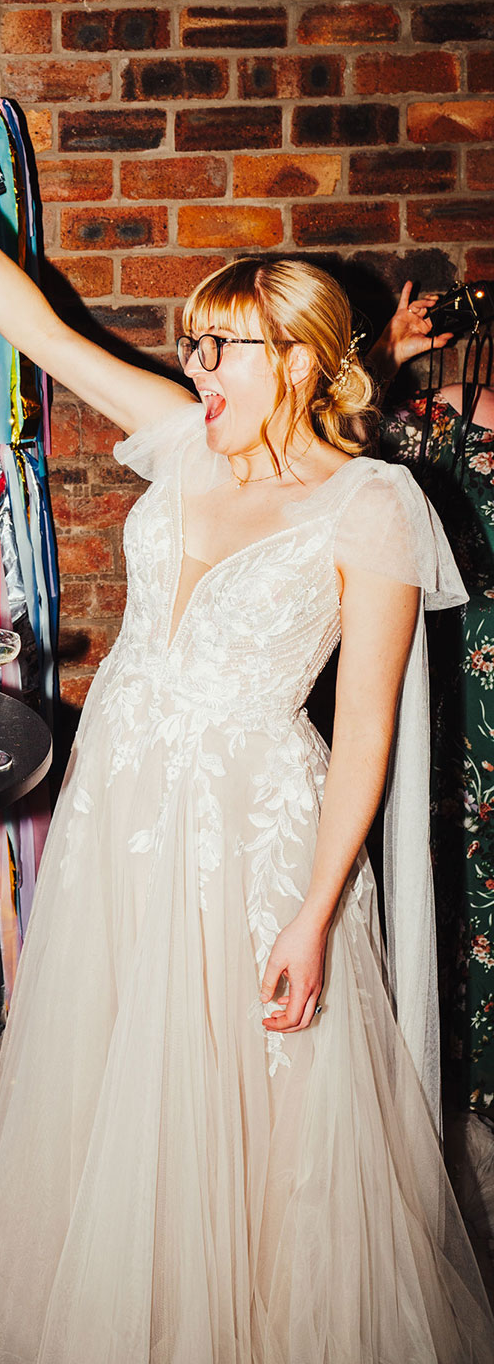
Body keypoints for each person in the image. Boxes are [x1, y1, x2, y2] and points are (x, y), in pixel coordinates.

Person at [0, 190, 494, 1362]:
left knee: (246, 1101)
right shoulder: (188, 437)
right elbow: (51, 339)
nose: (196, 365)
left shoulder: (370, 504)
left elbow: (370, 737)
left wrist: (316, 912)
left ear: (296, 361)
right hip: (119, 801)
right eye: (194, 344)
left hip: (251, 828)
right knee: (115, 1052)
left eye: (218, 345)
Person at [372, 287, 494, 1124]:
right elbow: (327, 439)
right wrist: (389, 350)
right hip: (460, 678)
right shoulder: (452, 408)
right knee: (455, 854)